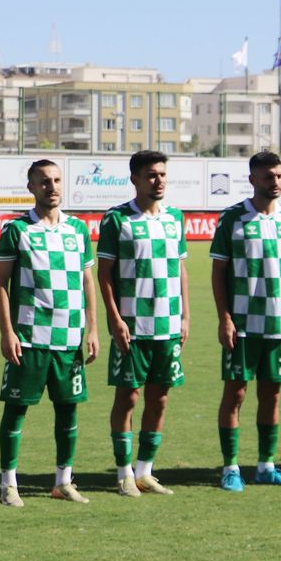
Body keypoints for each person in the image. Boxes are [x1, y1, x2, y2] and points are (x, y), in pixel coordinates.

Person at [0, 159, 100, 506]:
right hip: (29, 338)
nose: (51, 187)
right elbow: (0, 283)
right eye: (43, 181)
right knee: (16, 409)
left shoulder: (77, 230)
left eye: (56, 180)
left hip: (68, 339)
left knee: (68, 410)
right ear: (31, 188)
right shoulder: (17, 230)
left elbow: (87, 281)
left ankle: (63, 482)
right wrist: (7, 331)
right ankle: (8, 483)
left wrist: (93, 329)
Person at [97, 150, 189, 497]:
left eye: (162, 174)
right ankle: (124, 473)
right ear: (134, 179)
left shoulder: (174, 218)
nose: (158, 180)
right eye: (151, 175)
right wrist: (115, 318)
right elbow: (104, 274)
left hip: (168, 325)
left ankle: (145, 471)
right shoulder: (117, 219)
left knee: (160, 398)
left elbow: (180, 268)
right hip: (132, 327)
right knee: (128, 397)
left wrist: (185, 315)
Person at [210, 151, 281, 492]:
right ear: (252, 180)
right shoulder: (233, 218)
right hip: (243, 325)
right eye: (268, 177)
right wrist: (224, 318)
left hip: (278, 325)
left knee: (272, 395)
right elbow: (218, 272)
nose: (275, 182)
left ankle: (266, 466)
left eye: (279, 176)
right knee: (235, 394)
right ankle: (231, 467)